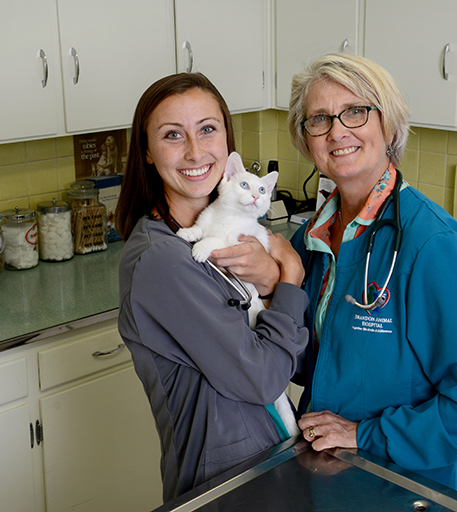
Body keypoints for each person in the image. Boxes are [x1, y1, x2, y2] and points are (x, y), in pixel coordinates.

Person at [287, 54, 457, 496]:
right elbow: (313, 363)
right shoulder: (313, 242)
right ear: (306, 139)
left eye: (355, 111)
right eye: (319, 118)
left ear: (388, 126)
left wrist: (363, 433)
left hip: (407, 486)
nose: (337, 131)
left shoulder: (433, 245)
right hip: (326, 475)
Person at [116, 73, 309, 502]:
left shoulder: (227, 242)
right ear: (146, 152)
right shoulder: (162, 260)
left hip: (266, 457)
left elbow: (295, 363)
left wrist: (270, 285)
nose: (195, 151)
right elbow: (261, 378)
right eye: (172, 135)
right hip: (223, 481)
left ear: (227, 140)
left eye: (208, 129)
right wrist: (290, 279)